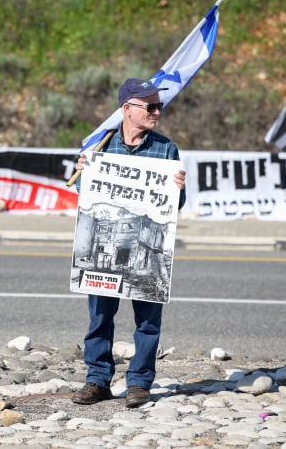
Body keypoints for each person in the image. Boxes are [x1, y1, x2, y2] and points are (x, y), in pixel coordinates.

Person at [71, 78, 187, 408]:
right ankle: (97, 379)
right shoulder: (100, 145)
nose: (157, 112)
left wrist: (176, 188)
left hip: (148, 251)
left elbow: (176, 206)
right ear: (127, 109)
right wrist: (84, 172)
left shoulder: (166, 148)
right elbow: (88, 198)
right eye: (150, 106)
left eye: (158, 106)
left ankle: (139, 382)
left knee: (148, 321)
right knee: (100, 317)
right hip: (104, 246)